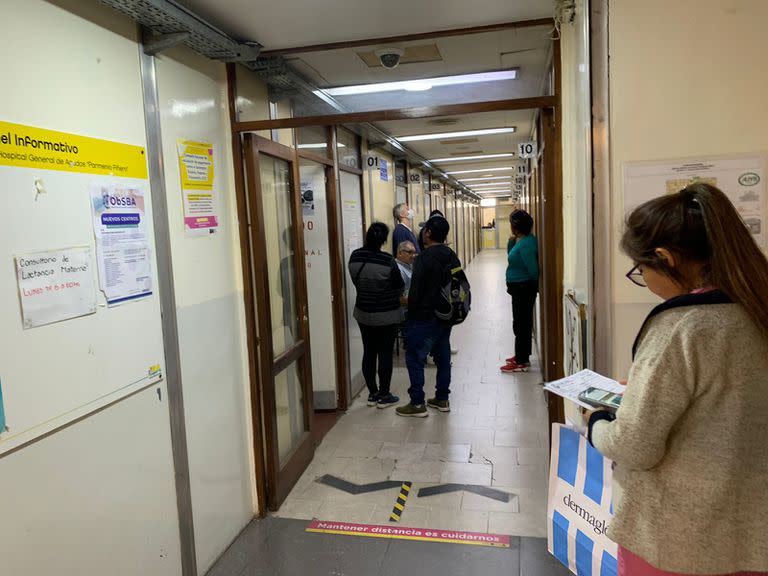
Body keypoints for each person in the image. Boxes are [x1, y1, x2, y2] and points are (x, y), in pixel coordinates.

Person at [588, 183, 768, 576]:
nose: (645, 281)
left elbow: (635, 446)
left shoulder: (680, 328)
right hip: (755, 535)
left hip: (677, 539)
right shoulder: (758, 307)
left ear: (665, 258)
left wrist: (598, 423)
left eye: (641, 270)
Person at [396, 215, 460, 417]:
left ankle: (417, 403)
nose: (423, 232)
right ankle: (442, 398)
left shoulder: (423, 258)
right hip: (445, 316)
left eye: (425, 230)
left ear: (429, 233)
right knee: (442, 357)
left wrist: (407, 307)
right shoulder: (451, 255)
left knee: (415, 357)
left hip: (423, 317)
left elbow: (415, 294)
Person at [348, 222, 404, 409]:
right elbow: (398, 286)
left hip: (363, 313)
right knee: (385, 353)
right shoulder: (387, 260)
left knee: (369, 351)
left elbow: (356, 281)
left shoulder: (355, 257)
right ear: (383, 240)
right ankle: (384, 394)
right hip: (386, 315)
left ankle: (372, 393)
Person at [501, 209, 539, 373]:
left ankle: (521, 360)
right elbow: (511, 257)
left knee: (521, 324)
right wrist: (511, 242)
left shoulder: (527, 244)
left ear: (516, 226)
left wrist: (532, 286)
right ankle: (522, 355)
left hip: (524, 288)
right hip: (519, 287)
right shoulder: (522, 241)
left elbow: (533, 270)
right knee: (521, 323)